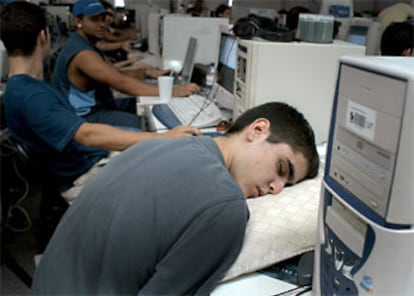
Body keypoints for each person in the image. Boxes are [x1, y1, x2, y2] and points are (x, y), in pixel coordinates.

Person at [31, 99, 319, 294]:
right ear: (257, 130)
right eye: (282, 169)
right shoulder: (225, 208)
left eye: (286, 185)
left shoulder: (157, 146)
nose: (276, 189)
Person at [0, 1, 200, 203]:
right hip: (84, 175)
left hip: (87, 160)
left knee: (152, 143)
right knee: (176, 165)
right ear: (43, 36)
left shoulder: (23, 88)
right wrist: (165, 137)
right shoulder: (32, 96)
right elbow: (87, 134)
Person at [52, 0, 200, 129]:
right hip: (86, 119)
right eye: (94, 19)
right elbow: (121, 83)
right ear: (78, 21)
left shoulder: (85, 43)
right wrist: (174, 91)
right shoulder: (83, 54)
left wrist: (147, 73)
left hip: (101, 105)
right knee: (148, 124)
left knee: (150, 106)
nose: (102, 24)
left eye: (103, 19)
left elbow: (113, 73)